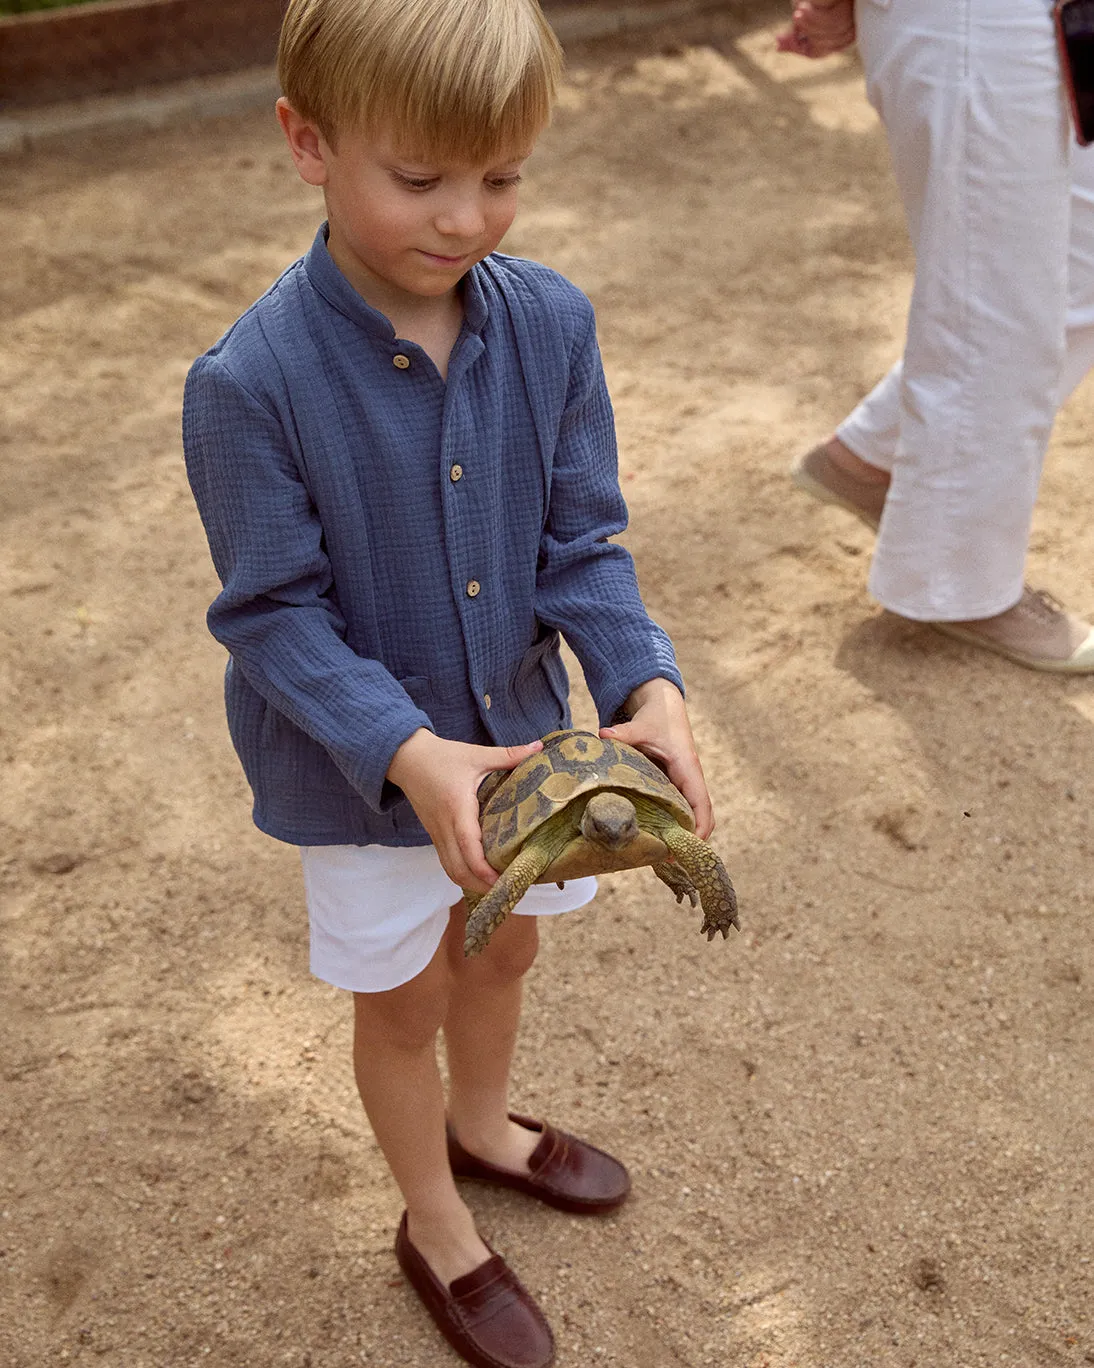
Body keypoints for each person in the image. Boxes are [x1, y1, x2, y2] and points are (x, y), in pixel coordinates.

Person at [182, 0, 717, 1363]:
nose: (466, 217)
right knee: (407, 999)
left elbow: (580, 542)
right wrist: (410, 752)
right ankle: (433, 1221)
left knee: (510, 942)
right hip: (365, 784)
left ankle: (484, 1130)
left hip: (528, 754)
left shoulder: (551, 324)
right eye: (418, 178)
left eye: (501, 176)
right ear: (307, 140)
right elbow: (272, 615)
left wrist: (642, 680)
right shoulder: (249, 382)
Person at [778, 0, 1094, 673]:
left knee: (1080, 269)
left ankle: (869, 455)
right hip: (978, 19)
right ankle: (959, 583)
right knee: (994, 306)